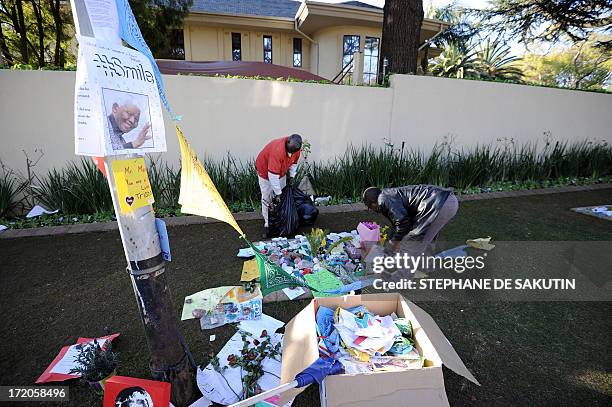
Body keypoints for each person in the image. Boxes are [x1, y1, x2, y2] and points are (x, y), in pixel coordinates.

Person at [362, 185, 458, 256]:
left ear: (373, 202)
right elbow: (397, 224)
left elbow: (403, 223)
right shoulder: (388, 195)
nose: (372, 210)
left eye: (370, 207)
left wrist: (393, 244)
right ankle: (426, 265)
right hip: (445, 200)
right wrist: (391, 244)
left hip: (440, 204)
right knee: (425, 237)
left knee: (412, 243)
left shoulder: (383, 200)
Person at [255, 134, 302, 238]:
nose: (291, 154)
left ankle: (280, 219)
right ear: (287, 142)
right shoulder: (277, 151)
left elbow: (294, 163)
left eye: (293, 152)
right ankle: (268, 223)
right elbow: (272, 176)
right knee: (267, 196)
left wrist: (292, 176)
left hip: (280, 172)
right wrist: (278, 194)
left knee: (282, 196)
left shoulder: (296, 148)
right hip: (265, 173)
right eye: (290, 151)